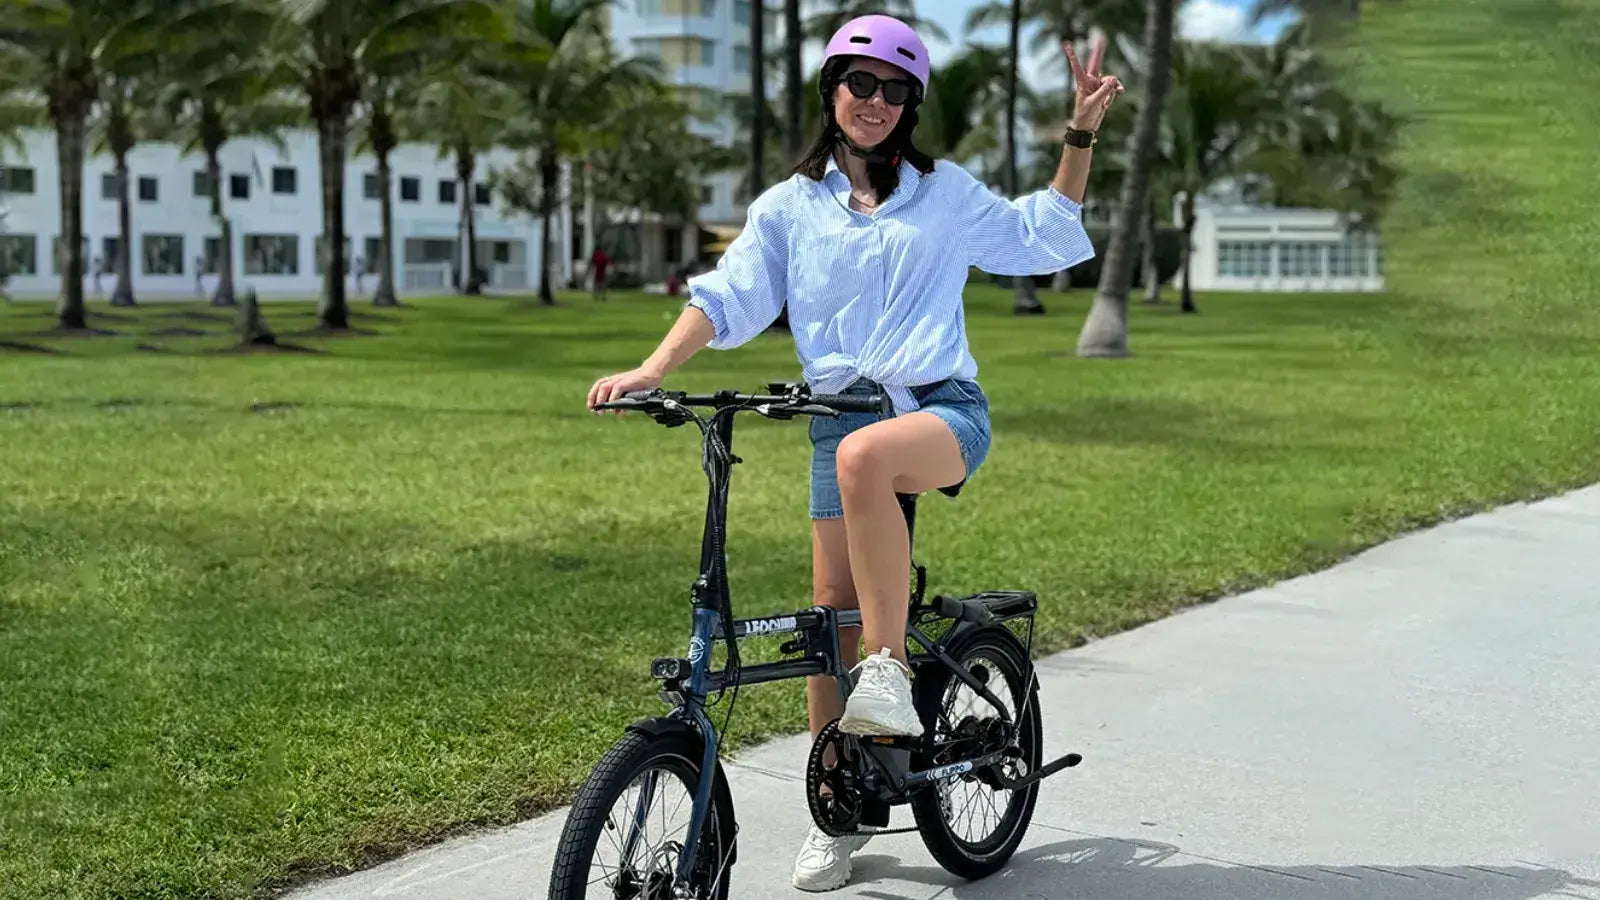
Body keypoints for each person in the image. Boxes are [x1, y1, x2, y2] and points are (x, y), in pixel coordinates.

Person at [585, 14, 1121, 892]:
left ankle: (891, 669)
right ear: (831, 90)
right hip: (836, 425)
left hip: (942, 412)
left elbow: (1045, 234)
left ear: (910, 105)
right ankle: (838, 809)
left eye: (894, 89)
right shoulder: (791, 208)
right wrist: (651, 369)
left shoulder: (944, 194)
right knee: (828, 623)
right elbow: (726, 298)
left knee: (867, 472)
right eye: (858, 83)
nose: (874, 102)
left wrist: (1080, 133)